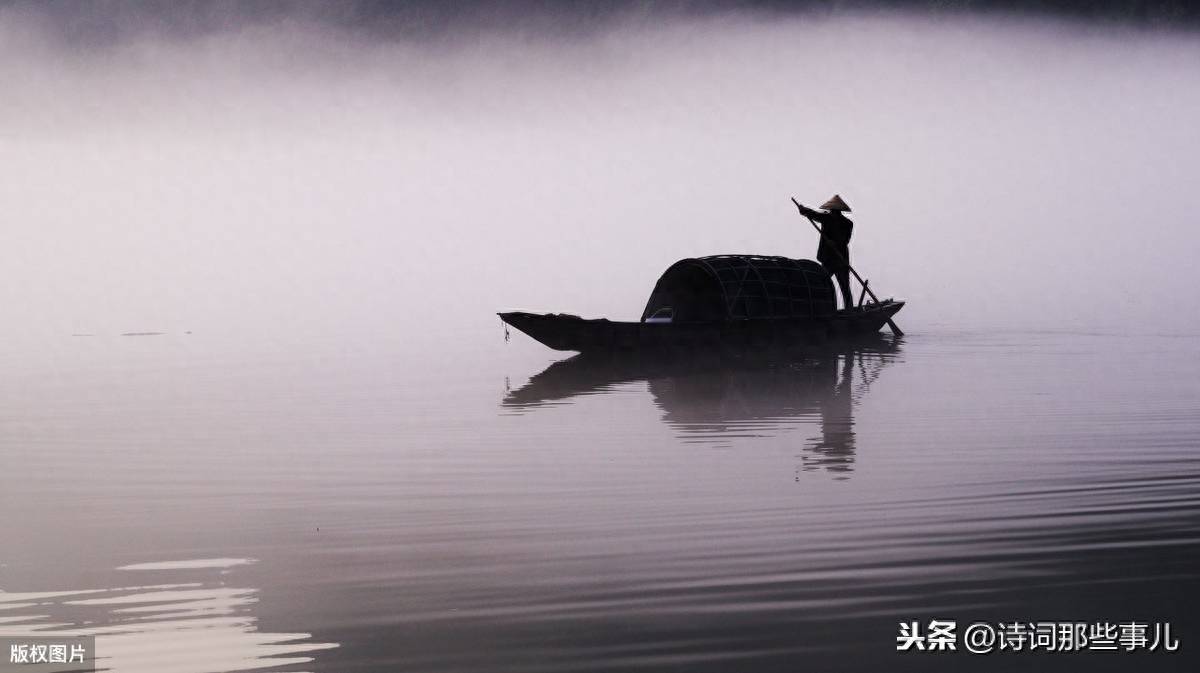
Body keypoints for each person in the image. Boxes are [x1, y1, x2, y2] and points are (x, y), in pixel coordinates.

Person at [797, 194, 855, 311]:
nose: (832, 212)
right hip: (828, 259)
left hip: (841, 259)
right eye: (832, 210)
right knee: (822, 284)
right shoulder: (826, 218)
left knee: (844, 287)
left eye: (834, 210)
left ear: (838, 211)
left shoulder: (847, 223)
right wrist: (804, 210)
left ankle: (849, 310)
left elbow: (846, 240)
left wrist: (836, 243)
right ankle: (820, 309)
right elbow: (814, 214)